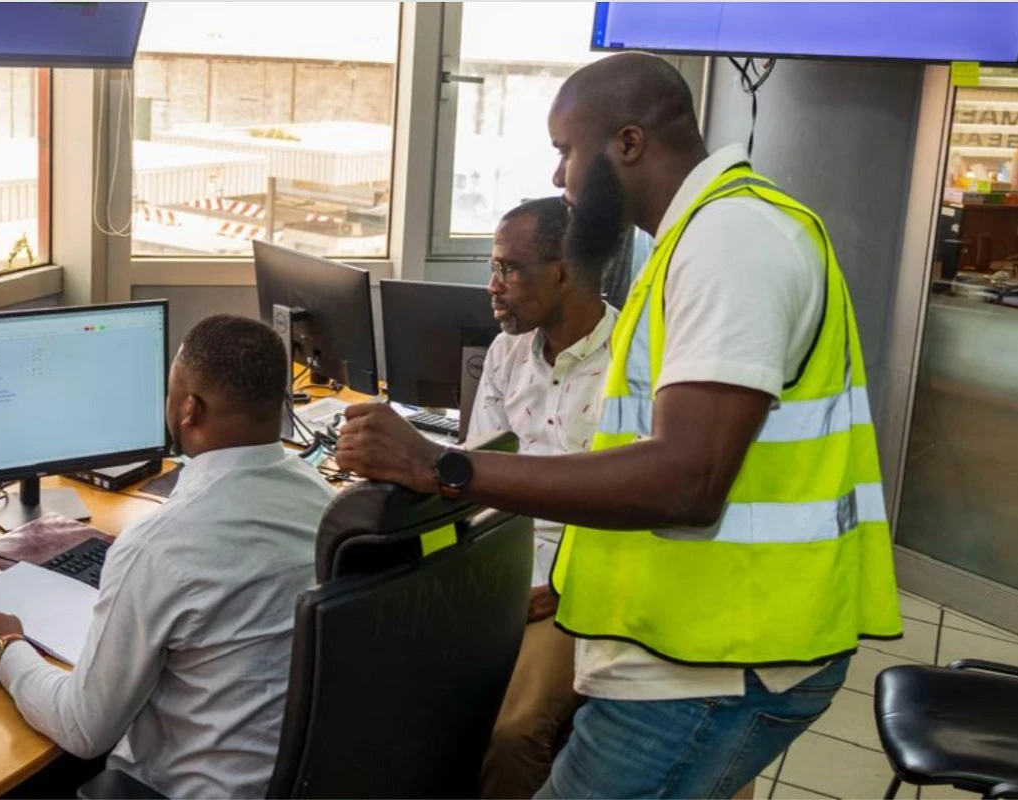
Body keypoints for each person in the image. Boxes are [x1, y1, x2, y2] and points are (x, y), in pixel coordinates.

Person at [334, 52, 902, 798]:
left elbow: (686, 481)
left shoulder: (732, 241)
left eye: (565, 151)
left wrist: (441, 468)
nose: (558, 176)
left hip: (720, 659)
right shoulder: (690, 243)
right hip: (679, 640)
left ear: (627, 144)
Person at [0, 314, 334, 798]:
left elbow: (82, 729)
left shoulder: (161, 545)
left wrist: (5, 646)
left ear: (189, 409)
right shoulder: (326, 504)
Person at [471, 197, 616, 799]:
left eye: (509, 268)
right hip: (498, 567)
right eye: (493, 266)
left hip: (573, 586)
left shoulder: (633, 361)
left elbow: (635, 506)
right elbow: (478, 470)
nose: (493, 286)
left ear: (563, 272)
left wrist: (562, 584)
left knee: (514, 731)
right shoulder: (508, 352)